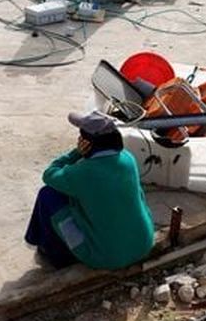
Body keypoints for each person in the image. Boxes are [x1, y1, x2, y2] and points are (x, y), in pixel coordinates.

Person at [25, 110, 154, 270]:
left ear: (87, 142)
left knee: (48, 195)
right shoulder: (128, 159)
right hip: (143, 244)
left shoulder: (81, 173)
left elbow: (49, 174)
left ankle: (55, 256)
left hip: (107, 258)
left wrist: (76, 153)